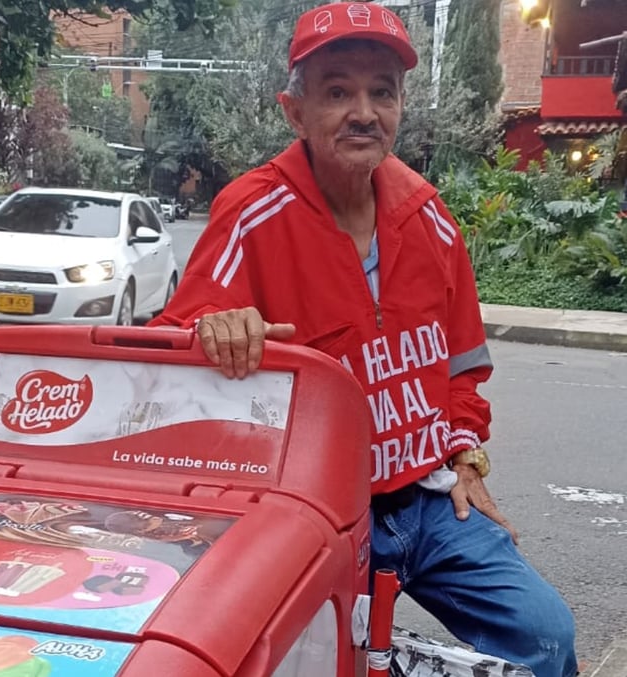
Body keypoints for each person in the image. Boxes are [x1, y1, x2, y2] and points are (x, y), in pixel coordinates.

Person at [149, 3, 577, 675]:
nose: (364, 111)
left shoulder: (430, 217)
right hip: (313, 517)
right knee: (282, 657)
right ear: (296, 111)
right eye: (338, 90)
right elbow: (171, 346)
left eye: (382, 91)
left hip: (429, 501)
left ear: (402, 104)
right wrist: (213, 329)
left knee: (546, 637)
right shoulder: (252, 212)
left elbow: (463, 365)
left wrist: (466, 455)